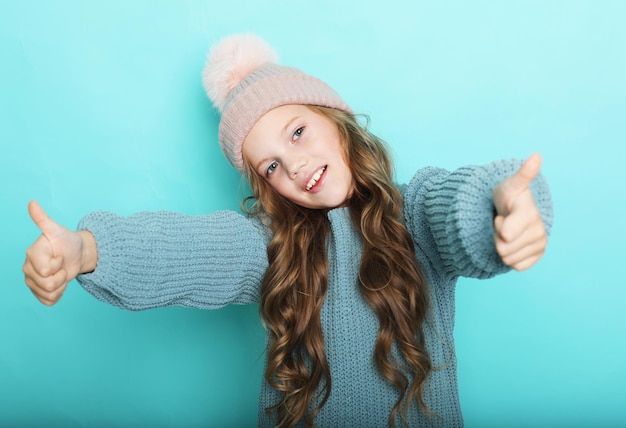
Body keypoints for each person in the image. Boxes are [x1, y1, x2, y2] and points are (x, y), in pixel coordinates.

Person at [23, 34, 553, 427]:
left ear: (335, 118)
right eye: (271, 166)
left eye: (297, 132)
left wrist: (503, 207)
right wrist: (88, 249)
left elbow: (458, 205)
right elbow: (189, 248)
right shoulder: (272, 246)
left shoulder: (413, 210)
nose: (294, 166)